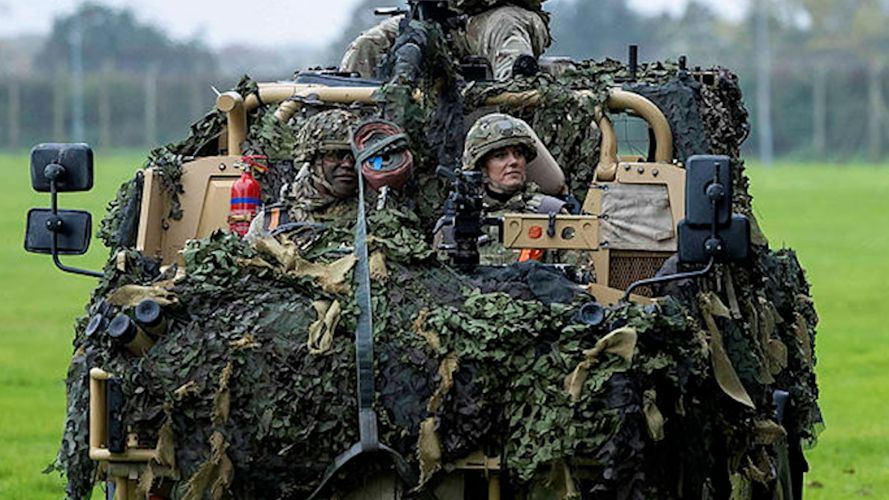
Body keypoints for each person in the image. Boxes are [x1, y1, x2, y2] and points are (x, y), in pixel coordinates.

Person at [340, 0, 551, 81]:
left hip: (499, 15)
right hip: (437, 18)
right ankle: (350, 133)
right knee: (369, 44)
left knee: (506, 29)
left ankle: (510, 130)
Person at [459, 112, 567, 265]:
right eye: (500, 156)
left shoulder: (549, 213)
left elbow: (578, 279)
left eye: (518, 154)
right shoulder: (460, 219)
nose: (513, 162)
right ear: (482, 167)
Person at [246, 109, 361, 242]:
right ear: (312, 159)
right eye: (335, 155)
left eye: (354, 155)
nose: (347, 164)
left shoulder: (373, 214)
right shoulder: (272, 222)